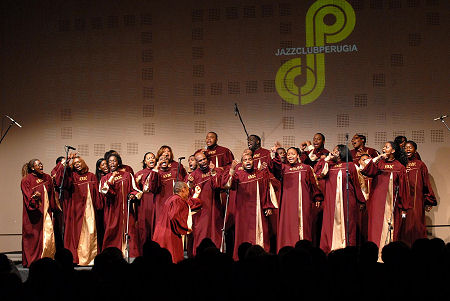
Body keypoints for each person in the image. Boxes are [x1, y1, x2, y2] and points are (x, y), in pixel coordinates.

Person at [360, 141, 410, 260]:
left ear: (393, 151)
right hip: (376, 203)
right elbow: (366, 171)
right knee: (375, 228)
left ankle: (389, 257)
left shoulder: (399, 167)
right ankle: (374, 257)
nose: (383, 148)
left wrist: (404, 208)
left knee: (391, 229)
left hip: (391, 203)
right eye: (383, 146)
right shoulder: (378, 163)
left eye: (387, 147)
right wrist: (377, 157)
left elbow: (404, 189)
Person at [315, 145, 367, 254]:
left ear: (341, 152)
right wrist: (326, 159)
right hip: (332, 201)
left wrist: (361, 200)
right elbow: (318, 174)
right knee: (330, 224)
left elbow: (357, 185)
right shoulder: (330, 165)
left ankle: (348, 249)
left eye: (335, 150)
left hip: (347, 200)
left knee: (348, 224)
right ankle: (330, 249)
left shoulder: (350, 166)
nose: (333, 152)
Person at [223, 154, 276, 259]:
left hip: (259, 210)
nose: (248, 162)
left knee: (262, 233)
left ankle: (262, 255)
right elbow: (227, 185)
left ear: (253, 161)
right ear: (242, 164)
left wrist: (268, 206)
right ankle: (243, 257)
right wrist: (232, 170)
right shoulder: (238, 175)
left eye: (250, 159)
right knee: (244, 234)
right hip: (243, 212)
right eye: (245, 160)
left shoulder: (261, 174)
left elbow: (267, 190)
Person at [54, 155, 101, 265]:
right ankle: (77, 258)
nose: (77, 165)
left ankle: (90, 257)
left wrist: (98, 207)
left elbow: (97, 194)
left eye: (79, 162)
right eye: (75, 164)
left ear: (83, 162)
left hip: (89, 210)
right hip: (75, 210)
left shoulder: (91, 176)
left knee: (90, 231)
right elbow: (61, 182)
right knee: (75, 234)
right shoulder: (71, 176)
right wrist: (65, 164)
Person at [273, 146, 323, 251]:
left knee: (303, 225)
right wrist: (275, 155)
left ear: (298, 155)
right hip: (288, 204)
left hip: (302, 202)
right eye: (288, 154)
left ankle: (304, 250)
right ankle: (287, 248)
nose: (290, 156)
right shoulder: (284, 168)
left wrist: (317, 197)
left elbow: (313, 183)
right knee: (289, 225)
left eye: (293, 154)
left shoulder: (306, 168)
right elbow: (276, 167)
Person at [99, 153, 142, 258]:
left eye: (114, 161)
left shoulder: (127, 175)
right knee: (111, 232)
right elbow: (104, 191)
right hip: (112, 211)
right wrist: (111, 179)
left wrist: (133, 195)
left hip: (126, 210)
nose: (112, 163)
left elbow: (136, 190)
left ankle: (130, 255)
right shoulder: (105, 178)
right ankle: (110, 256)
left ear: (118, 162)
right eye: (110, 161)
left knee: (130, 232)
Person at [153, 182, 201, 263]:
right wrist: (186, 228)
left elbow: (187, 206)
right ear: (183, 190)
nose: (188, 192)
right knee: (173, 260)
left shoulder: (171, 199)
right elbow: (174, 216)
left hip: (160, 232)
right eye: (187, 190)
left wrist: (196, 195)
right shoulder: (177, 200)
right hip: (169, 234)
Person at [399, 141, 436, 245]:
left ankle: (418, 247)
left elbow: (426, 183)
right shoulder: (400, 164)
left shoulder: (420, 165)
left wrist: (428, 201)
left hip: (416, 200)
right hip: (402, 200)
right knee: (403, 224)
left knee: (416, 222)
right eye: (406, 148)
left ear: (415, 150)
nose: (408, 150)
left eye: (410, 147)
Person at [186, 151, 224, 254]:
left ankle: (216, 254)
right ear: (197, 163)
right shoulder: (193, 175)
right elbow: (188, 193)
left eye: (204, 159)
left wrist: (213, 173)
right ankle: (199, 255)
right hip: (200, 210)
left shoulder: (215, 170)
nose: (203, 162)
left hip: (214, 206)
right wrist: (190, 184)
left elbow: (219, 186)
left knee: (215, 231)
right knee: (201, 232)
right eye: (200, 161)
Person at [21, 159, 56, 267]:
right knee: (33, 238)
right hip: (34, 214)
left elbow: (51, 195)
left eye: (41, 164)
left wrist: (53, 209)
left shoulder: (47, 177)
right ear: (32, 168)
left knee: (47, 236)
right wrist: (34, 198)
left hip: (46, 213)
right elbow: (28, 198)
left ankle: (47, 259)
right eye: (38, 165)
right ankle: (33, 261)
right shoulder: (26, 180)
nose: (41, 166)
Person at [134, 152, 159, 247]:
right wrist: (137, 182)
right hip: (144, 203)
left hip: (156, 200)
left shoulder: (158, 171)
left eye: (152, 157)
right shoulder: (139, 174)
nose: (151, 159)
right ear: (145, 161)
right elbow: (135, 190)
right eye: (148, 158)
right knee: (145, 226)